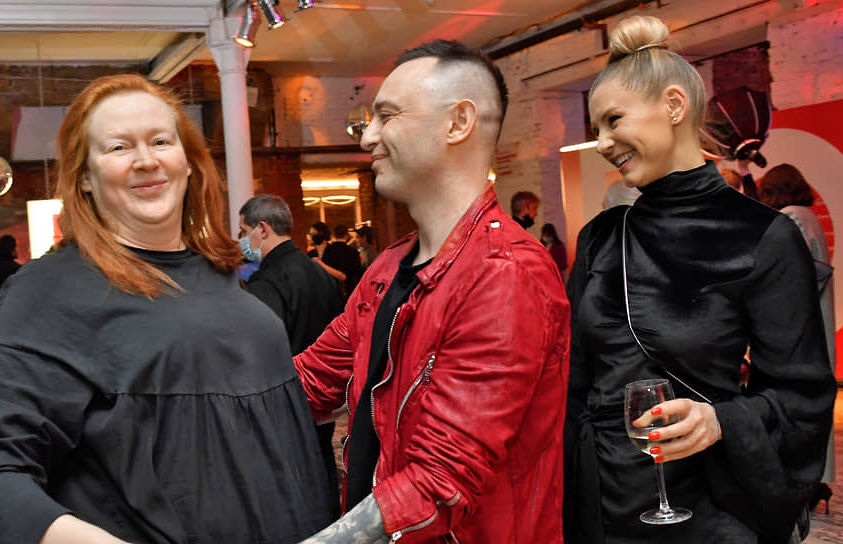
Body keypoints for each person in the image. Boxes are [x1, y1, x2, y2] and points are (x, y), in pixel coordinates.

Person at [0, 74, 332, 543]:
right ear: (85, 178)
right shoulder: (48, 291)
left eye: (160, 141)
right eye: (119, 147)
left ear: (188, 162)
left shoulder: (218, 273)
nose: (147, 160)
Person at [565, 15, 835, 543]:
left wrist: (720, 421)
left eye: (613, 120)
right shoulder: (601, 237)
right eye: (595, 130)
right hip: (599, 503)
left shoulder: (763, 236)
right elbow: (571, 383)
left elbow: (802, 395)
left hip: (703, 508)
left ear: (674, 106)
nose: (602, 143)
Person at [294, 40, 570, 543]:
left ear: (458, 122)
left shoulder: (505, 273)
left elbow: (441, 481)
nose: (368, 137)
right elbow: (310, 382)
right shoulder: (388, 266)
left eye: (387, 116)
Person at [237, 193, 344, 520]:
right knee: (322, 478)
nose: (241, 240)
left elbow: (258, 350)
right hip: (324, 401)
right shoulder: (320, 274)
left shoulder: (266, 281)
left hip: (284, 402)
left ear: (263, 229)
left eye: (243, 232)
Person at [758, 164, 836, 509]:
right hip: (816, 323)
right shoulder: (808, 215)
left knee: (798, 408)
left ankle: (805, 483)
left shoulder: (792, 218)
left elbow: (790, 275)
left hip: (802, 330)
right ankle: (815, 482)